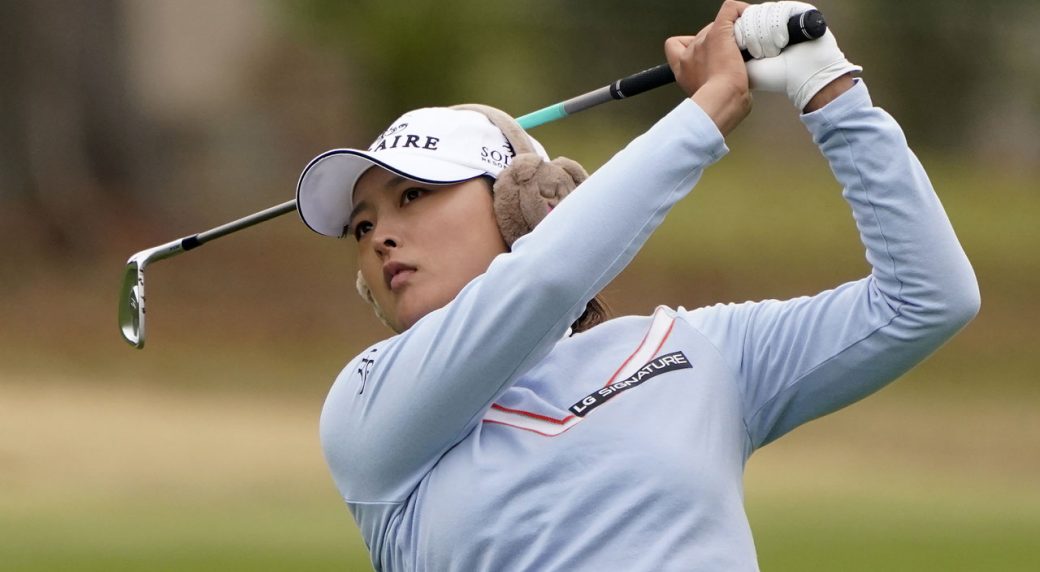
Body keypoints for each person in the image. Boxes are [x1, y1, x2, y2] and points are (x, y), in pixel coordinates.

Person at [295, 1, 980, 570]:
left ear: (522, 203)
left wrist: (828, 89)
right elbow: (545, 279)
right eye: (362, 226)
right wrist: (710, 108)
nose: (380, 237)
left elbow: (926, 299)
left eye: (413, 196)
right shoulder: (367, 405)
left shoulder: (695, 350)